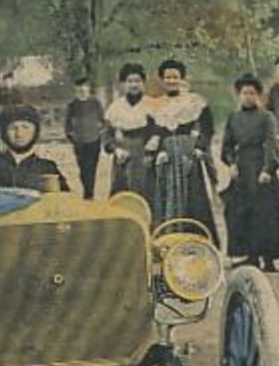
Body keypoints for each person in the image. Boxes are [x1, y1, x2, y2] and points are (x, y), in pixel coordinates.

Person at [220, 75, 279, 272]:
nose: (248, 97)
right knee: (242, 212)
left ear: (258, 95)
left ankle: (268, 258)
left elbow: (272, 144)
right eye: (244, 93)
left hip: (261, 167)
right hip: (242, 168)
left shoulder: (267, 117)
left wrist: (268, 169)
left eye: (252, 93)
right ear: (239, 95)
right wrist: (232, 163)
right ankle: (250, 256)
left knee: (266, 213)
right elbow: (227, 146)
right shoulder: (233, 118)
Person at [149, 59, 219, 243]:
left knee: (193, 197)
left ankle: (197, 241)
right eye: (168, 77)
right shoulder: (157, 104)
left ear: (182, 79)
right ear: (162, 80)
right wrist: (159, 151)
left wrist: (199, 147)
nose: (171, 80)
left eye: (175, 77)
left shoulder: (194, 101)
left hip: (188, 153)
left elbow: (208, 129)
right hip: (166, 156)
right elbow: (154, 132)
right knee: (165, 197)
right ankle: (168, 241)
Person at [0, 104, 71, 192]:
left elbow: (65, 202)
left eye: (25, 127)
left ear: (35, 131)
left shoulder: (47, 167)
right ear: (4, 133)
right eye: (13, 128)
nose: (19, 134)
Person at [104, 62, 158, 206]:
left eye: (137, 81)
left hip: (144, 154)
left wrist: (154, 142)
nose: (134, 85)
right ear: (123, 84)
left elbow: (159, 131)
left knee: (145, 192)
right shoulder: (116, 107)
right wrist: (116, 150)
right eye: (130, 81)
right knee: (122, 193)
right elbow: (107, 136)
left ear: (143, 83)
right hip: (123, 155)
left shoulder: (151, 105)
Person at [63, 79, 106, 199]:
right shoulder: (72, 105)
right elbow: (67, 124)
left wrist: (99, 131)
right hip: (79, 142)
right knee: (82, 168)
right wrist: (72, 137)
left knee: (91, 167)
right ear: (75, 90)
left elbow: (103, 121)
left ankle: (89, 193)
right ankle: (87, 190)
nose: (82, 90)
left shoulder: (95, 103)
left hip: (94, 140)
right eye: (79, 88)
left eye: (84, 88)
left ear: (88, 89)